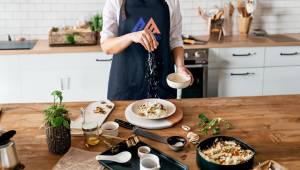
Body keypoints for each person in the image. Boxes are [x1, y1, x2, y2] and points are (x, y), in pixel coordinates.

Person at [101, 0, 194, 100]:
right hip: (126, 83)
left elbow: (175, 40)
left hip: (161, 81)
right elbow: (106, 46)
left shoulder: (172, 1)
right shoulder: (116, 1)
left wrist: (180, 66)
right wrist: (131, 37)